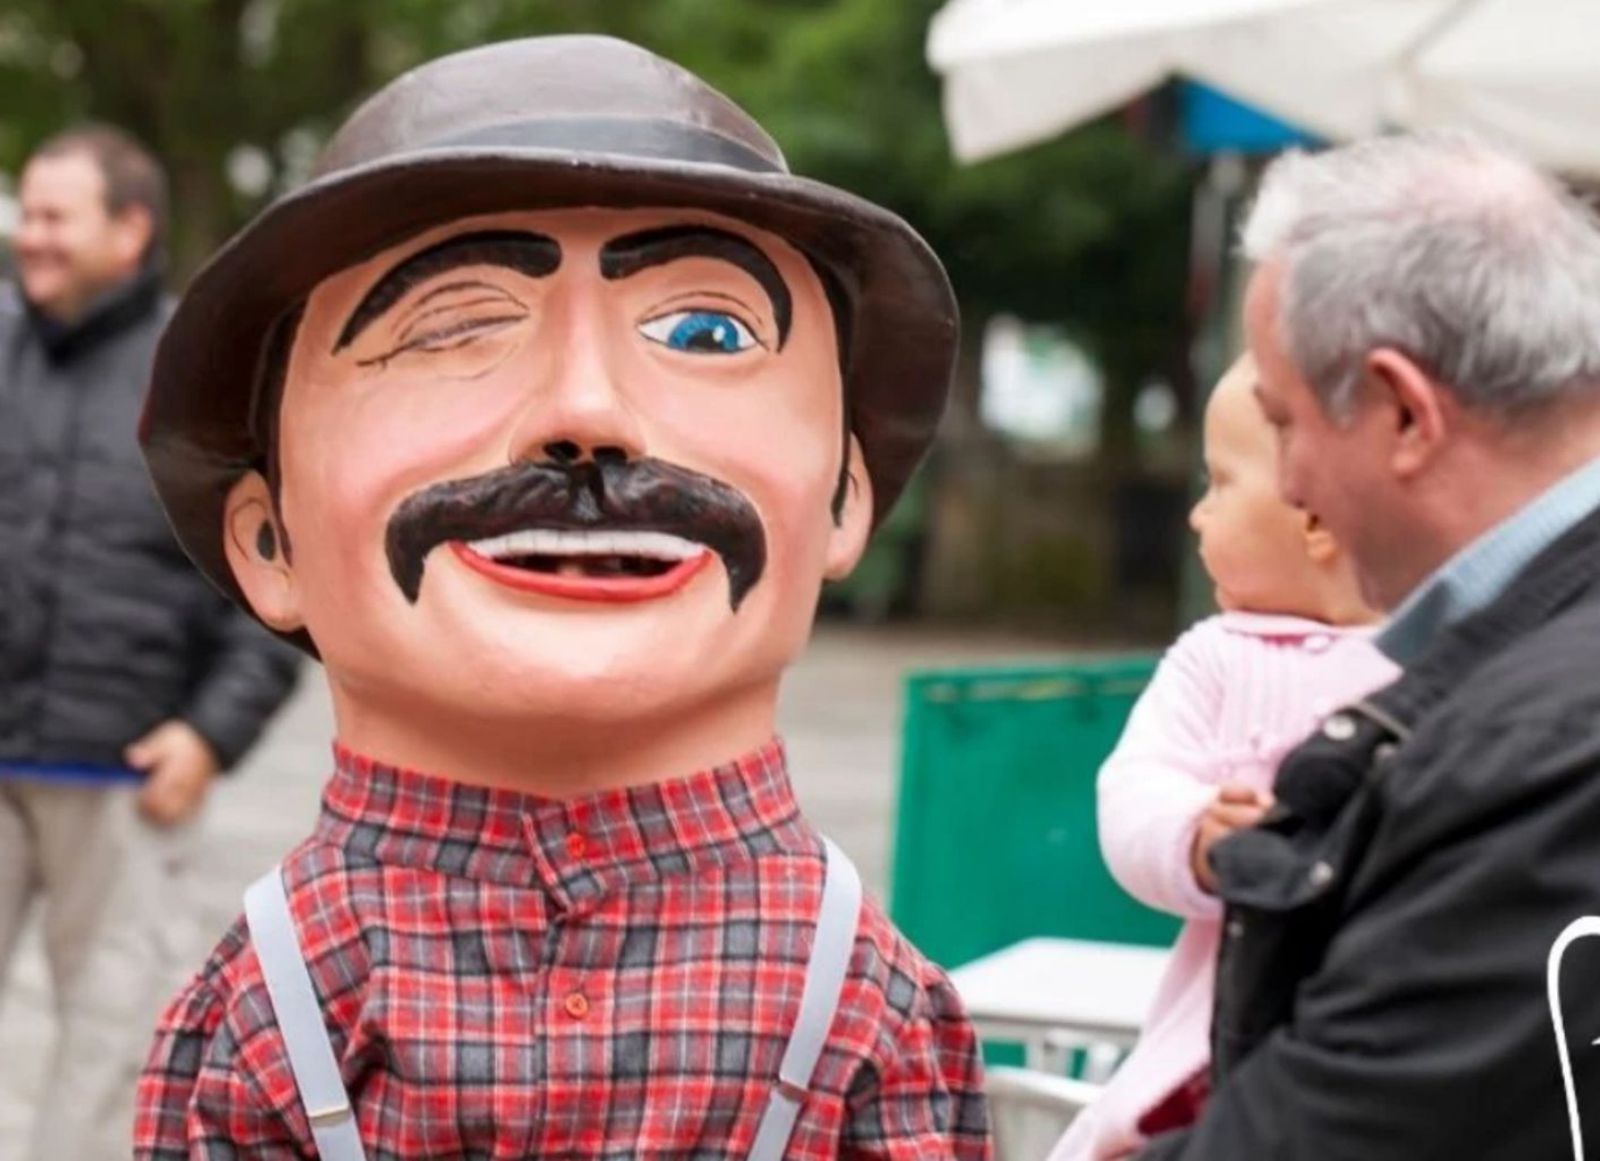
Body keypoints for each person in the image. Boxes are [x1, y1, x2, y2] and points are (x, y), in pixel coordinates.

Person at [133, 36, 990, 1160]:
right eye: (452, 327)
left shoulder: (868, 1007)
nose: (586, 410)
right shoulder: (269, 1004)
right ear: (268, 535)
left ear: (840, 499)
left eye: (705, 332)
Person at [1135, 131, 1600, 1160]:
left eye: (1283, 423)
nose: (1289, 486)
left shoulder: (1535, 746)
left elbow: (1343, 1124)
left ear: (1401, 413)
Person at [0, 126, 300, 1161]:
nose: (27, 237)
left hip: (125, 777)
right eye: (23, 215)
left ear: (130, 230)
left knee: (111, 1045)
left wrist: (210, 738)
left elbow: (272, 578)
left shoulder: (199, 380)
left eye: (51, 217)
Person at [1048, 356, 1396, 1161]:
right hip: (1208, 1060)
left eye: (1220, 483)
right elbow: (1133, 790)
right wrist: (1196, 838)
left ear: (1314, 514)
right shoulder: (1217, 659)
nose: (1198, 517)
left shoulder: (1443, 653)